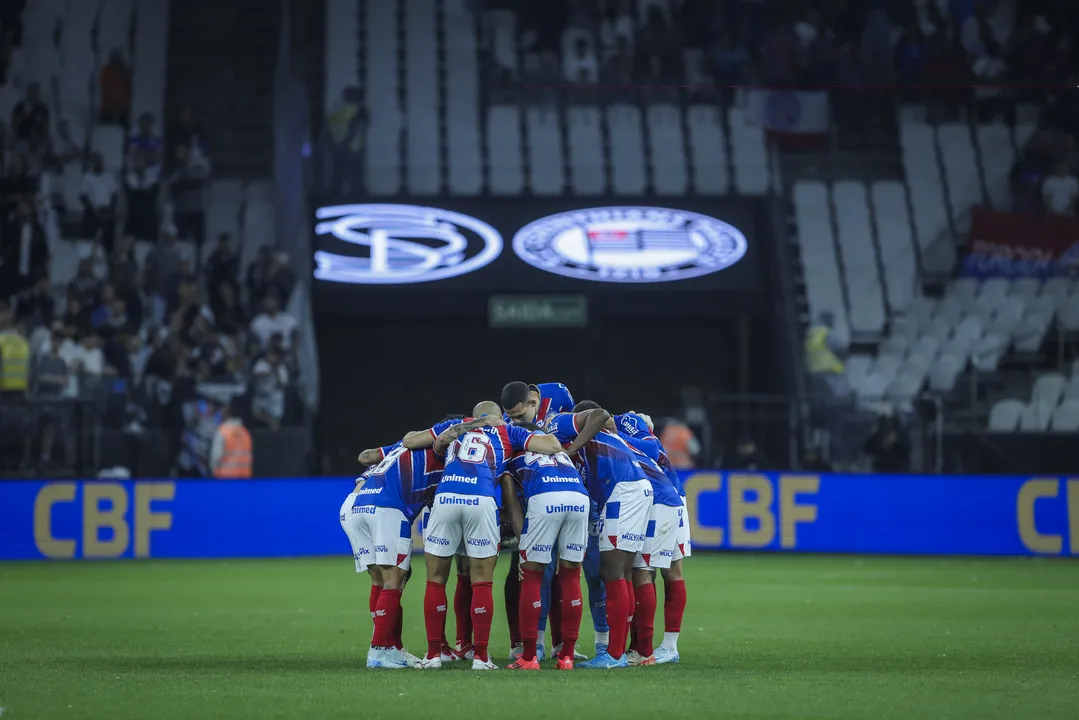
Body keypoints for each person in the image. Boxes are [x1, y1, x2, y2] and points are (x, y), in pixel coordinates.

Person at [402, 402, 562, 670]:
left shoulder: (455, 426)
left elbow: (409, 440)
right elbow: (553, 445)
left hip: (446, 498)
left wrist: (458, 432)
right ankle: (481, 657)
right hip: (481, 498)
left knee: (436, 580)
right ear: (500, 416)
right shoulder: (509, 431)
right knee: (482, 581)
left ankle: (432, 656)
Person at [542, 400, 652, 669]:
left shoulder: (556, 424)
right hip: (632, 489)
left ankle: (613, 656)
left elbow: (600, 414)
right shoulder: (603, 441)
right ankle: (618, 651)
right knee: (622, 573)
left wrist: (572, 448)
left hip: (622, 491)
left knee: (612, 571)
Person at [348, 435, 449, 669]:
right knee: (393, 581)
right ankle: (379, 650)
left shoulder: (399, 449)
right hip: (387, 509)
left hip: (360, 503)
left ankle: (391, 648)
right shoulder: (435, 453)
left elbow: (365, 457)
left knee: (380, 581)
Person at [499, 380, 578, 660]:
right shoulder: (513, 425)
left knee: (546, 571)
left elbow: (585, 413)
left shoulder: (557, 398)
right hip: (552, 494)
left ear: (534, 402)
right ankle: (539, 645)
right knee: (542, 572)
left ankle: (545, 647)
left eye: (519, 417)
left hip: (551, 492)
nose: (514, 421)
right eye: (510, 417)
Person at [615, 411, 687, 665]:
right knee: (669, 572)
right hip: (676, 496)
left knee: (643, 571)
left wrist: (616, 432)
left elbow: (652, 446)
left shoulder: (622, 422)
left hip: (659, 500)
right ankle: (661, 646)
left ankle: (646, 651)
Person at [210, 403, 252, 478]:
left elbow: (216, 455)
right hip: (244, 478)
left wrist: (212, 470)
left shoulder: (222, 431)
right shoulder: (245, 432)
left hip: (224, 477)